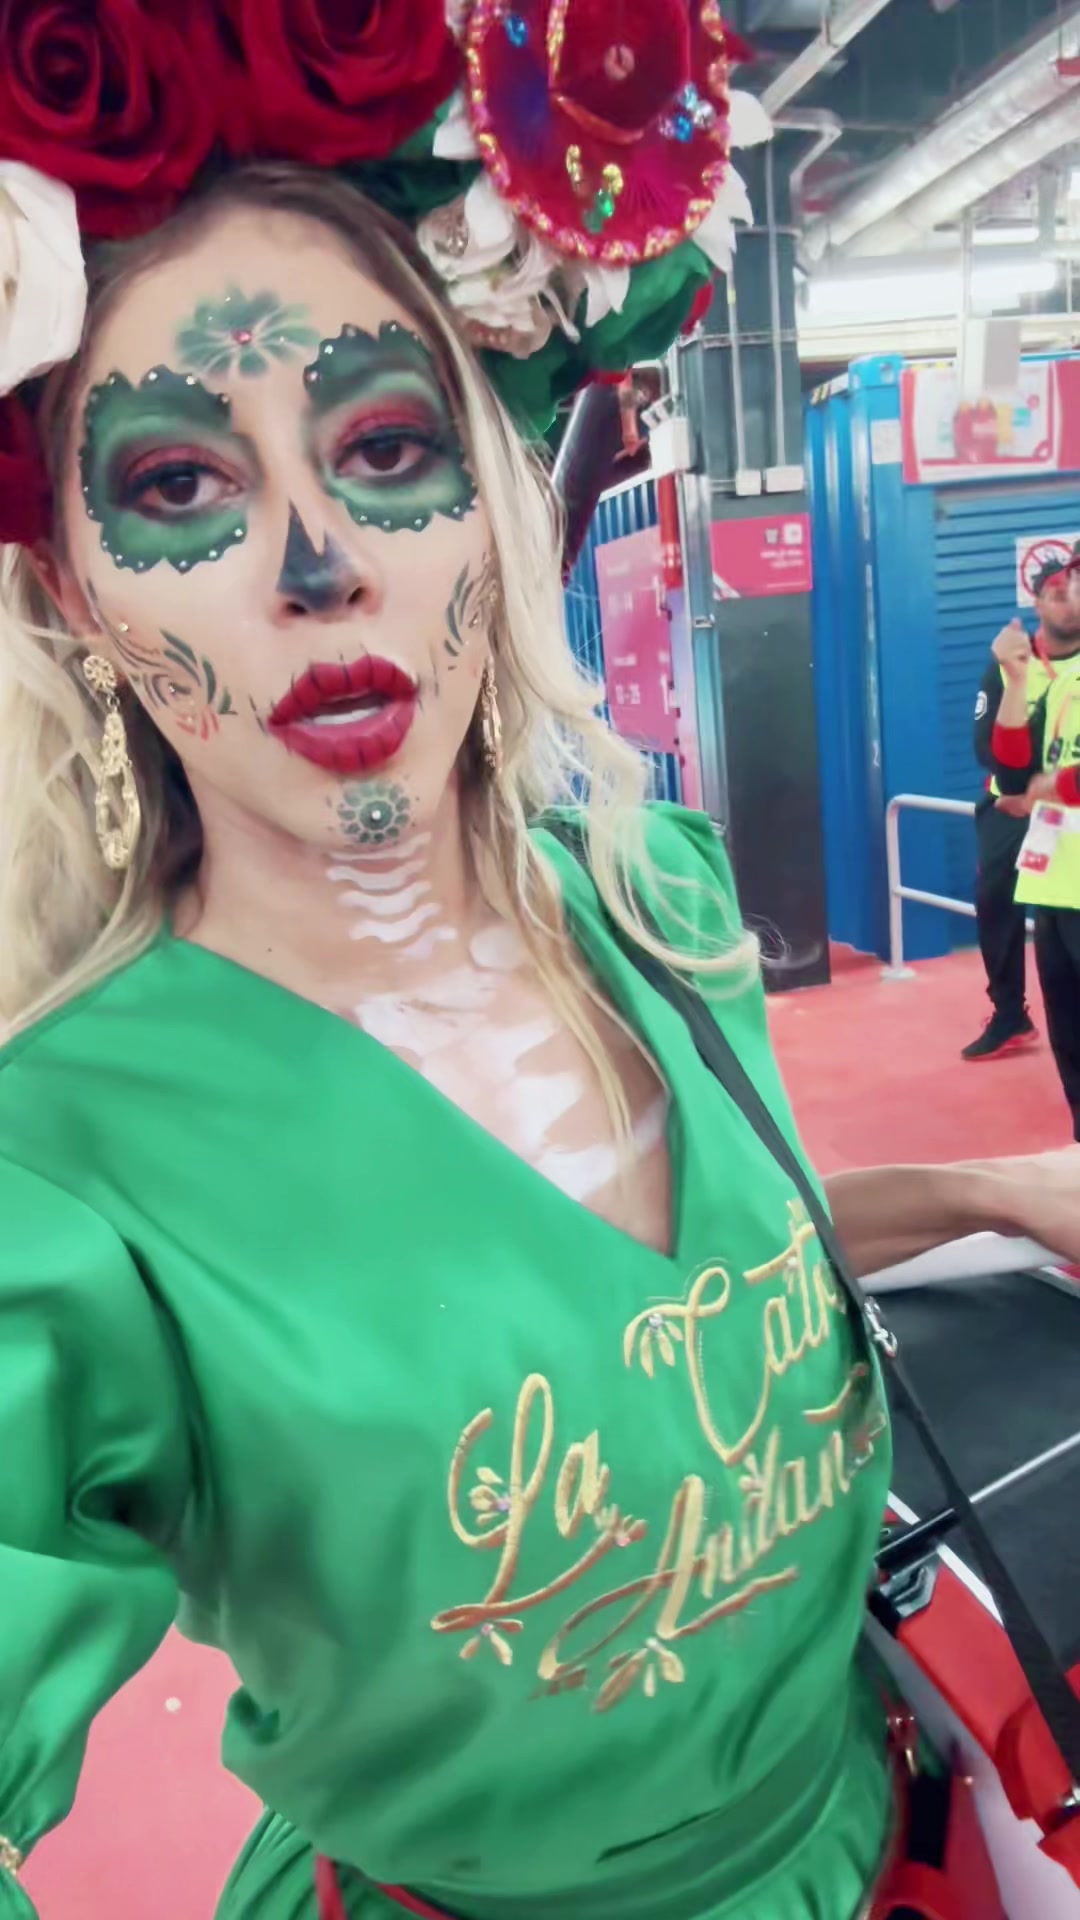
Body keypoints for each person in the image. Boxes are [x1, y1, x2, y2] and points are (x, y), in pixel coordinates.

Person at [1, 12, 1079, 1920]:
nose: (317, 561)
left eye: (383, 447)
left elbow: (677, 1284)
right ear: (76, 588)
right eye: (179, 485)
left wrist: (998, 1189)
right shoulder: (63, 1169)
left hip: (898, 1841)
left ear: (487, 513)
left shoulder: (650, 895)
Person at [964, 550, 1080, 1061]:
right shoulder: (1011, 665)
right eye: (1056, 594)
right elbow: (988, 748)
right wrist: (1019, 790)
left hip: (1065, 815)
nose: (1068, 603)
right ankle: (1009, 1011)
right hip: (1008, 810)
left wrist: (1052, 789)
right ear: (1037, 602)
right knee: (995, 905)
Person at [993, 590, 1080, 1142]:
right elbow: (1009, 771)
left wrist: (1060, 786)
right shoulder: (1053, 678)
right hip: (1053, 884)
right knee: (1069, 1038)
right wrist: (1015, 678)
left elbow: (1049, 781)